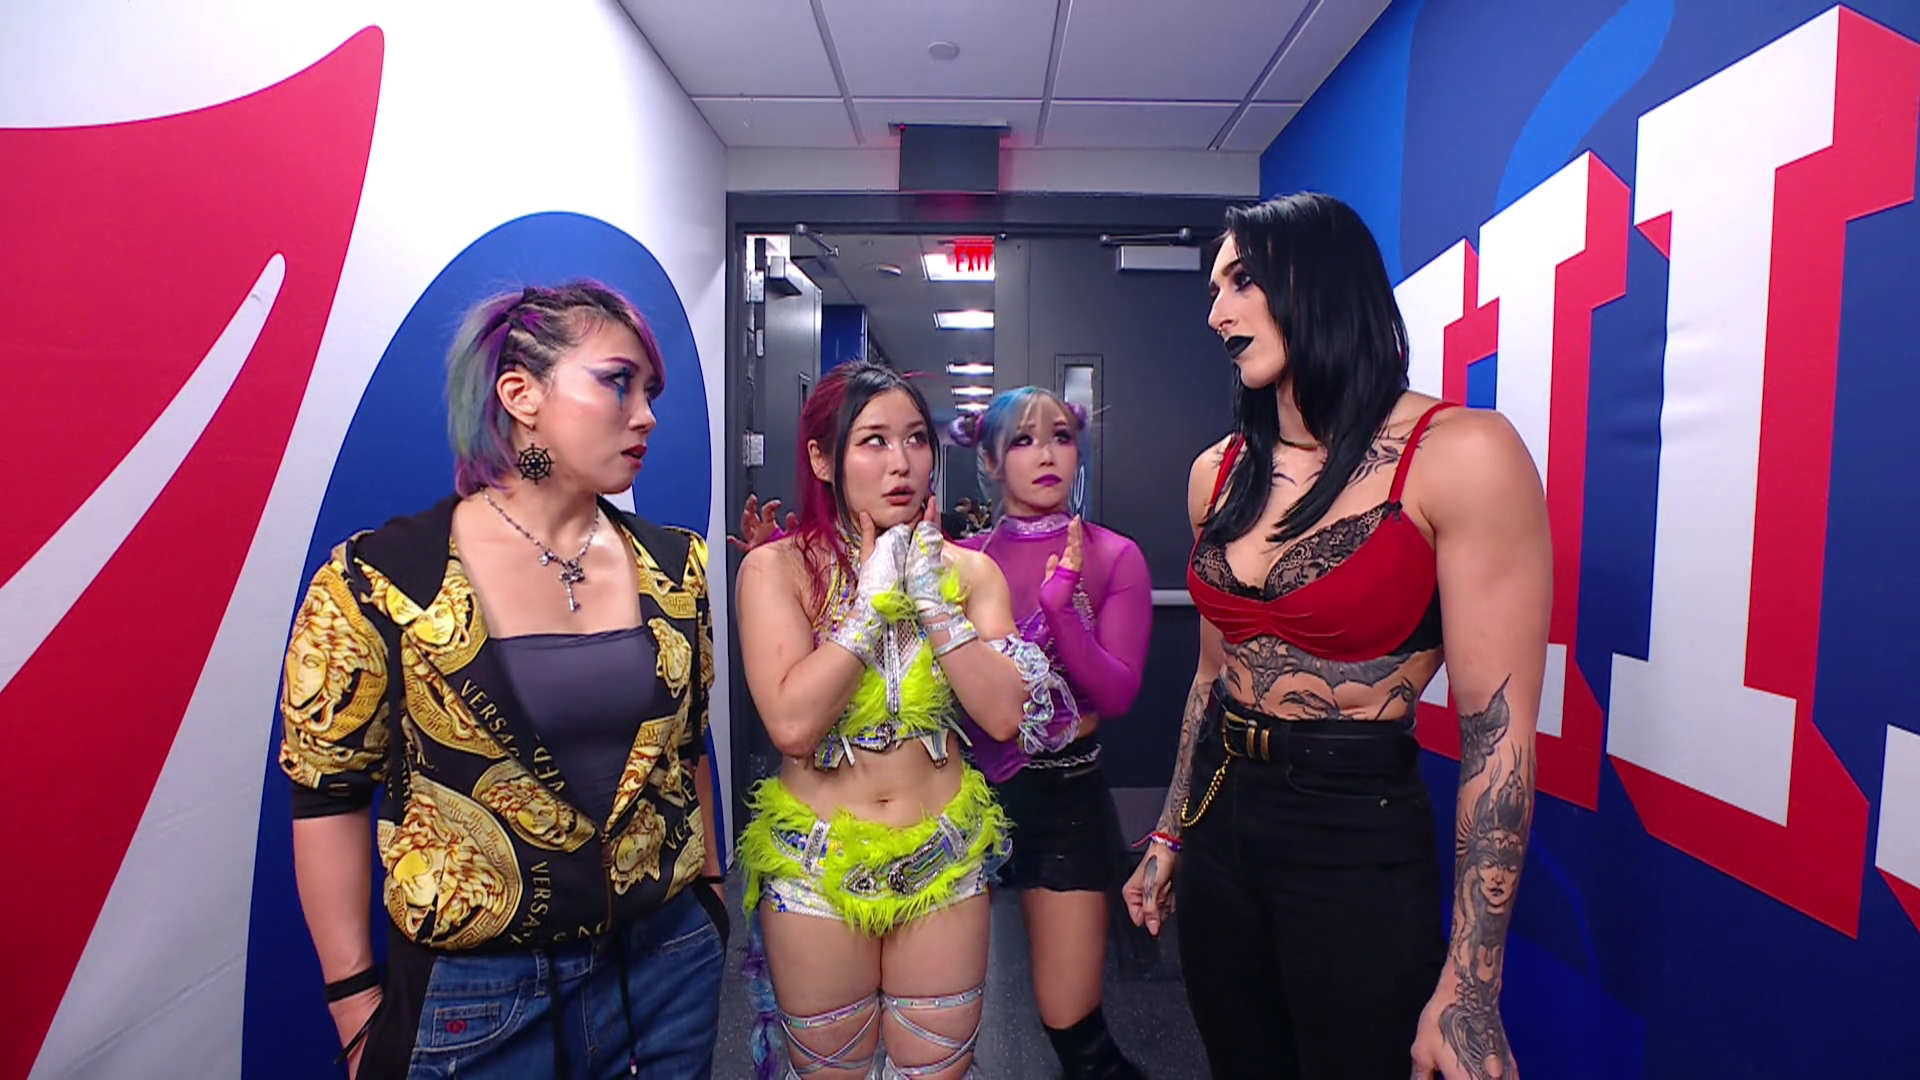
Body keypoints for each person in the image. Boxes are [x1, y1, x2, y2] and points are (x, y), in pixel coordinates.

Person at [1122, 194, 1550, 1080]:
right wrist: (1169, 833)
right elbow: (1211, 677)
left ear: (1321, 281)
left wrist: (1472, 989)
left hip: (1353, 824)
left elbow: (1497, 733)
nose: (1217, 313)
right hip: (1223, 811)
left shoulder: (1461, 453)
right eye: (1213, 290)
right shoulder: (1219, 472)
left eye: (1242, 280)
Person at [280, 282, 726, 1079]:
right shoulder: (382, 582)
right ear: (522, 395)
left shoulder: (675, 568)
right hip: (479, 995)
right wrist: (354, 1007)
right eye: (618, 383)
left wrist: (712, 896)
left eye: (651, 393)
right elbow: (327, 795)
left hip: (665, 969)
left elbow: (686, 751)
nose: (646, 416)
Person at [732, 360, 1072, 1080]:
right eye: (874, 441)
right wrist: (869, 605)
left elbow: (1005, 715)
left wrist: (933, 604)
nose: (902, 463)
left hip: (943, 855)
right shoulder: (775, 570)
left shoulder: (970, 573)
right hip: (815, 861)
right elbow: (792, 725)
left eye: (916, 439)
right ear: (822, 459)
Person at [946, 388, 1153, 1080]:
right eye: (1024, 440)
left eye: (1061, 437)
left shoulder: (1114, 556)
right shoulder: (961, 560)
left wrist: (1062, 608)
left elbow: (1117, 694)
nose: (1046, 455)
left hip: (1065, 798)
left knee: (1075, 1030)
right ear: (990, 460)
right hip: (963, 801)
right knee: (936, 1027)